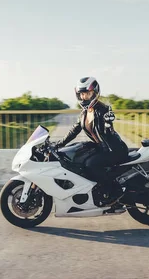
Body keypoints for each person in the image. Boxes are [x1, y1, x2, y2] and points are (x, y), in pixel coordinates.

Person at [54, 76, 129, 205]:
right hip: (101, 148)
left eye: (87, 93)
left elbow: (107, 127)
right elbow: (74, 130)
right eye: (82, 94)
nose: (84, 97)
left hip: (114, 150)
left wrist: (108, 122)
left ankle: (114, 191)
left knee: (91, 164)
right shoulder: (84, 112)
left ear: (94, 93)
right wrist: (59, 144)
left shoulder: (103, 110)